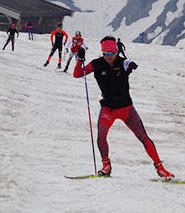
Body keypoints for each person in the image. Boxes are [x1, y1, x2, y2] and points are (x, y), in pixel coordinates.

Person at [73, 36, 174, 179]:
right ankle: (106, 165)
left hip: (126, 108)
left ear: (116, 52)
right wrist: (80, 60)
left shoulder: (122, 62)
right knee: (101, 137)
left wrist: (131, 65)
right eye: (105, 54)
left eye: (112, 53)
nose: (109, 57)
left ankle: (160, 167)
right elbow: (77, 74)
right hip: (108, 109)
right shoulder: (97, 64)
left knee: (143, 137)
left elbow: (129, 63)